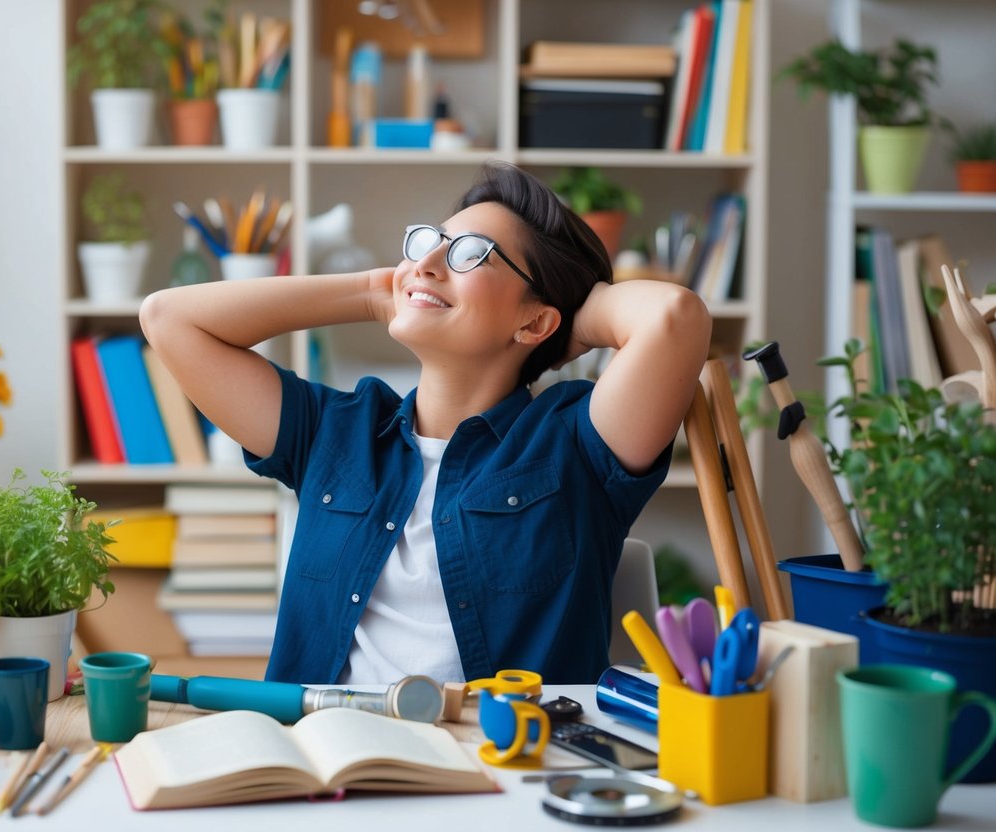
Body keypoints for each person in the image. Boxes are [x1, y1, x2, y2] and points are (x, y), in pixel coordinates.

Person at [141, 163, 710, 685]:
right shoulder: (336, 433)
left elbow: (674, 317)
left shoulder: (574, 445)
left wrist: (571, 324)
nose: (428, 262)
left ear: (533, 321)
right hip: (329, 760)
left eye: (470, 254)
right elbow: (169, 319)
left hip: (500, 773)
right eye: (430, 242)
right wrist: (373, 292)